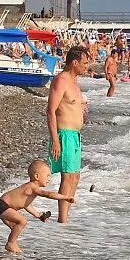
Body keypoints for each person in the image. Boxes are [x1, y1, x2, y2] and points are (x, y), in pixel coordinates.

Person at [0, 159, 76, 253]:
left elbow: (26, 205)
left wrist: (38, 215)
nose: (49, 178)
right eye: (47, 176)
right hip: (3, 206)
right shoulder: (32, 187)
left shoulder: (30, 189)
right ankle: (10, 244)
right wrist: (65, 197)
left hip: (2, 206)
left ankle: (13, 243)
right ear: (37, 176)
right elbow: (48, 194)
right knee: (22, 221)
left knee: (15, 226)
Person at [47, 45, 89, 223]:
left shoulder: (75, 82)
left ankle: (66, 217)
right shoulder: (61, 80)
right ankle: (62, 220)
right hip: (64, 134)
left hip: (75, 135)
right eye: (84, 63)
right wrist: (55, 140)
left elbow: (73, 105)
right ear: (74, 62)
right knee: (68, 176)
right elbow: (50, 110)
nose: (86, 67)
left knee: (75, 177)